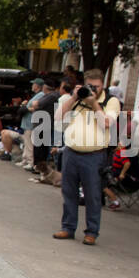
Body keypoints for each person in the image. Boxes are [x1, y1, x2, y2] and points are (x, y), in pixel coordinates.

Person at [53, 68, 119, 245]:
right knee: (69, 193)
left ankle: (91, 232)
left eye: (96, 87)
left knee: (93, 196)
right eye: (90, 86)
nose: (93, 90)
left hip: (94, 155)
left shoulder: (111, 102)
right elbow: (58, 117)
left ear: (103, 85)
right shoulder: (75, 98)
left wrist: (93, 103)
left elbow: (106, 123)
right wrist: (74, 97)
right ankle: (68, 227)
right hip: (71, 152)